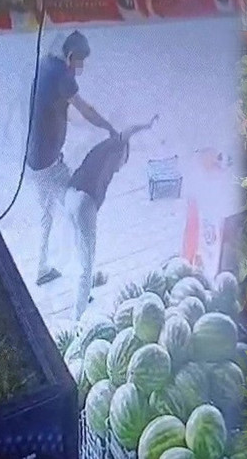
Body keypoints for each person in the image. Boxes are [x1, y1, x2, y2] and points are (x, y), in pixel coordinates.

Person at [27, 31, 116, 287]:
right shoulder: (62, 76)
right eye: (80, 60)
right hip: (49, 165)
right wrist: (108, 127)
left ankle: (42, 267)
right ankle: (86, 277)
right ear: (70, 55)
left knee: (46, 216)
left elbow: (60, 111)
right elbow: (85, 110)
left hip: (36, 159)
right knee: (80, 214)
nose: (81, 67)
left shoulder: (46, 65)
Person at [64, 117, 156, 319]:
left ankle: (82, 294)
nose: (121, 167)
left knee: (78, 250)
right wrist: (145, 126)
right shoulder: (114, 149)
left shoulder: (103, 148)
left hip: (70, 195)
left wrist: (145, 126)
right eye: (124, 161)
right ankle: (78, 315)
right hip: (84, 202)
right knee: (87, 263)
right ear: (122, 153)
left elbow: (128, 130)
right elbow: (127, 133)